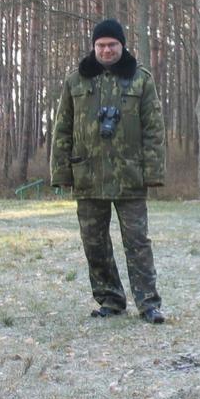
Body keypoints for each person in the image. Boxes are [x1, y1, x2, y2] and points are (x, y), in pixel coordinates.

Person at [51, 18, 167, 324]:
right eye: (101, 45)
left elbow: (154, 129)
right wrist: (61, 173)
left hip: (130, 176)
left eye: (112, 45)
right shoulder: (76, 81)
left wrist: (153, 172)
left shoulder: (141, 80)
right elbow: (62, 128)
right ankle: (111, 300)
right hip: (88, 176)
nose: (106, 50)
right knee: (94, 243)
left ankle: (148, 303)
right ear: (93, 46)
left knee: (138, 242)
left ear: (122, 46)